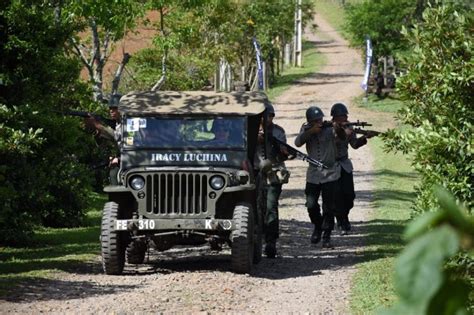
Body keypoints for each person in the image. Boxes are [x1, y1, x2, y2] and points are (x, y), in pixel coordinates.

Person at [294, 105, 346, 248]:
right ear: (310, 121)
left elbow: (342, 137)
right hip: (313, 174)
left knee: (329, 206)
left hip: (330, 174)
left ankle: (327, 235)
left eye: (320, 119)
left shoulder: (329, 129)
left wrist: (338, 128)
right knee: (311, 204)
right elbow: (298, 142)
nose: (319, 122)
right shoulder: (306, 129)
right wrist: (311, 131)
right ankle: (318, 225)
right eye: (316, 120)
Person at [331, 103, 376, 234]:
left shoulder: (349, 127)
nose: (344, 119)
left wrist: (364, 137)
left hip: (344, 165)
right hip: (332, 166)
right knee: (336, 196)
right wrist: (343, 133)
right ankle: (341, 221)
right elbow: (334, 141)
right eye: (341, 117)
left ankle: (344, 216)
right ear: (334, 118)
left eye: (345, 116)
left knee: (349, 196)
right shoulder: (328, 128)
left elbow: (354, 145)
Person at [255, 103, 289, 258]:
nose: (267, 119)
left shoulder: (278, 131)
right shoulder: (250, 130)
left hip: (273, 173)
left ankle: (271, 242)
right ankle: (255, 240)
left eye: (270, 116)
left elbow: (284, 155)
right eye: (264, 117)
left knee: (271, 206)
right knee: (255, 207)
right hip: (255, 172)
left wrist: (282, 151)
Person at [84, 94, 122, 185]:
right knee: (113, 173)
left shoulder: (129, 123)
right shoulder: (117, 124)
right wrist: (95, 130)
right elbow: (104, 144)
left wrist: (97, 124)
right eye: (110, 108)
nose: (111, 111)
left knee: (114, 173)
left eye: (114, 108)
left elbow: (116, 137)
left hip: (131, 160)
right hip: (122, 159)